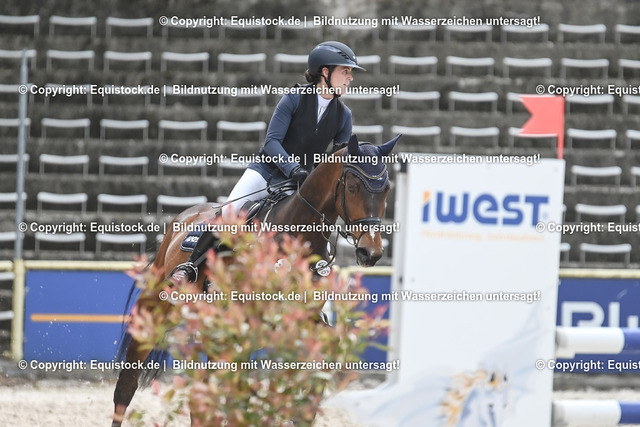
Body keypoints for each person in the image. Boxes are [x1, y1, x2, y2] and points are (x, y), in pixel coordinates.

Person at [172, 41, 364, 283]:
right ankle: (190, 266)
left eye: (350, 72)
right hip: (267, 172)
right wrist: (292, 168)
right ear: (325, 72)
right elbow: (272, 142)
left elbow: (336, 160)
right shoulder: (294, 99)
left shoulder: (344, 115)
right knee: (229, 211)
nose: (350, 78)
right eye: (345, 71)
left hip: (302, 182)